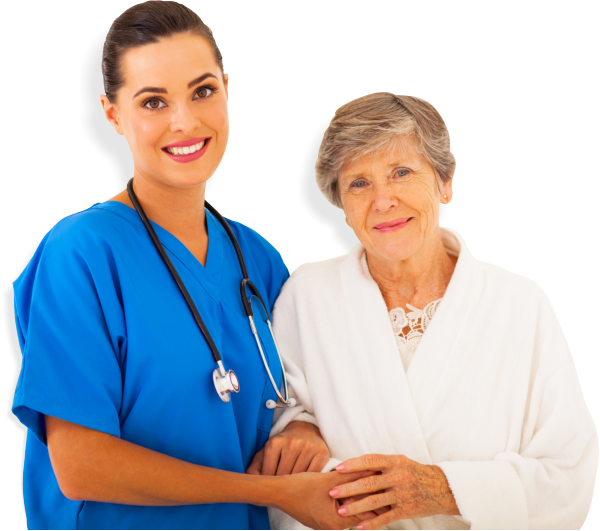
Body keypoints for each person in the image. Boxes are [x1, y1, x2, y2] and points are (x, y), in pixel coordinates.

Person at [10, 2, 379, 529]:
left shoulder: (259, 259)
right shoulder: (82, 255)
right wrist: (270, 491)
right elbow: (81, 467)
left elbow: (294, 397)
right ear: (113, 115)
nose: (184, 121)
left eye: (202, 91)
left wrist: (304, 431)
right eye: (153, 101)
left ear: (226, 90)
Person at [261, 93, 598, 529]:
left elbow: (568, 474)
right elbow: (276, 423)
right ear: (340, 203)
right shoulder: (307, 295)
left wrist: (445, 487)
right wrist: (297, 430)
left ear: (445, 181)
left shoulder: (519, 304)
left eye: (401, 173)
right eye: (359, 183)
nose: (383, 201)